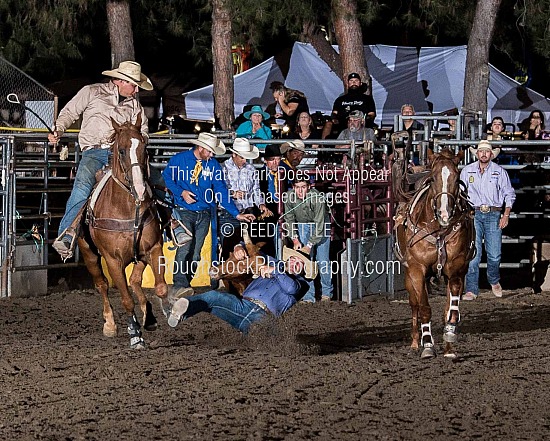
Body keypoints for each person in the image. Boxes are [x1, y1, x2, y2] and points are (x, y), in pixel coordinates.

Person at [49, 61, 153, 260]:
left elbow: (144, 131)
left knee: (154, 180)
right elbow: (70, 112)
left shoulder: (135, 106)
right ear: (121, 81)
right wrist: (59, 129)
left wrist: (137, 142)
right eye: (134, 84)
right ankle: (67, 233)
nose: (137, 89)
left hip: (124, 154)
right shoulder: (92, 92)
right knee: (82, 185)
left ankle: (174, 224)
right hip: (94, 152)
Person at [162, 132, 255, 292]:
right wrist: (181, 192)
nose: (212, 154)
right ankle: (179, 285)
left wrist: (236, 214)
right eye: (210, 151)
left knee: (196, 252)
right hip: (184, 210)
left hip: (204, 212)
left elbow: (221, 190)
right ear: (200, 147)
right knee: (185, 247)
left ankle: (186, 283)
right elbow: (167, 178)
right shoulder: (179, 160)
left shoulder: (213, 165)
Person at [166, 245, 316, 333]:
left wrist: (272, 270)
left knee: (260, 338)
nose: (295, 264)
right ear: (288, 259)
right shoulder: (274, 262)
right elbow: (253, 252)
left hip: (263, 318)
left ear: (303, 270)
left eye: (300, 264)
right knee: (214, 297)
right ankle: (181, 311)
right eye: (294, 259)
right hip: (242, 306)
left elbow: (291, 288)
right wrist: (239, 247)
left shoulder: (301, 284)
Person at [460, 140, 516, 300]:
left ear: (491, 154)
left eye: (487, 151)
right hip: (474, 214)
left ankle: (493, 279)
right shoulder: (467, 171)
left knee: (494, 254)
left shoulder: (499, 171)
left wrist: (506, 214)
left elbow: (509, 193)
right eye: (481, 151)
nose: (484, 154)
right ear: (477, 154)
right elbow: (461, 192)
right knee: (473, 254)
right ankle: (471, 289)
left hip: (493, 213)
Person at [283, 175, 333, 303]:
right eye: (297, 187)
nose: (300, 191)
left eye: (303, 187)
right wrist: (294, 239)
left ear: (309, 187)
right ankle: (308, 295)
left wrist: (309, 245)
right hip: (302, 224)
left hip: (321, 225)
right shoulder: (289, 197)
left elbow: (320, 224)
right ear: (293, 187)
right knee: (303, 260)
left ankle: (326, 293)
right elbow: (289, 219)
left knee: (323, 260)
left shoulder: (317, 199)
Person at [220, 138, 271, 258]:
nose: (244, 160)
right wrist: (232, 194)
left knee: (250, 248)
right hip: (228, 213)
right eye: (242, 157)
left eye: (245, 157)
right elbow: (218, 190)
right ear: (234, 154)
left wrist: (261, 204)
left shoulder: (251, 169)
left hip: (248, 212)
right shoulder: (222, 168)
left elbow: (255, 190)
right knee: (229, 248)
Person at [322, 72, 377, 139]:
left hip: (361, 126)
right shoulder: (340, 99)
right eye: (351, 81)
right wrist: (336, 119)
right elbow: (334, 114)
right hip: (342, 126)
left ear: (360, 83)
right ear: (347, 84)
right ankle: (323, 148)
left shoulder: (367, 99)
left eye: (356, 81)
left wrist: (362, 120)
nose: (354, 83)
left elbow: (372, 114)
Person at [257, 144, 289, 257]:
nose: (275, 162)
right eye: (272, 160)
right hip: (268, 210)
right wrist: (262, 205)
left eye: (278, 159)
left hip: (284, 209)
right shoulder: (259, 174)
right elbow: (257, 193)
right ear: (266, 161)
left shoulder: (285, 172)